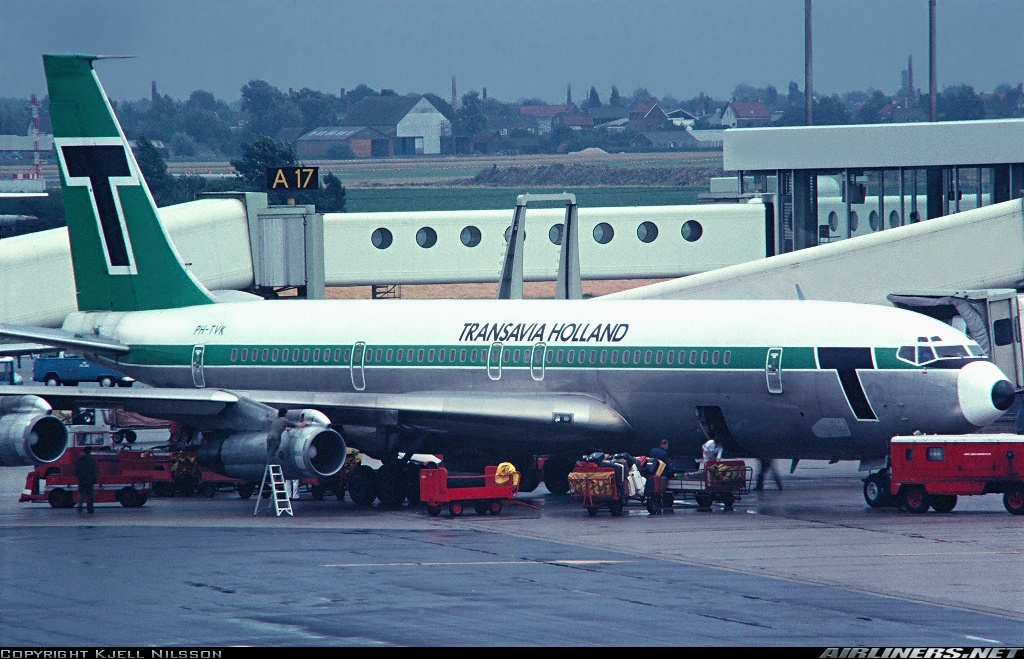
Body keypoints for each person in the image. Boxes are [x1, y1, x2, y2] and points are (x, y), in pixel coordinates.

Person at [74, 447, 98, 514]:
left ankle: (79, 508)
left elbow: (76, 471)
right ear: (90, 452)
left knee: (81, 495)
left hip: (81, 480)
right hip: (90, 480)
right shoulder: (92, 460)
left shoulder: (80, 459)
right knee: (90, 496)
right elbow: (94, 471)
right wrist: (94, 479)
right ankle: (90, 509)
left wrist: (79, 477)